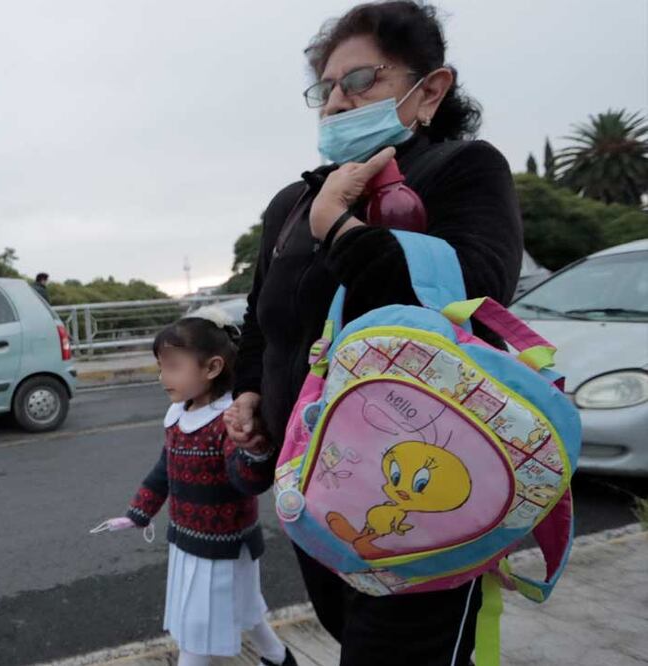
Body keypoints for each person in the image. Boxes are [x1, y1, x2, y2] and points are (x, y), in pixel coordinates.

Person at [222, 2, 523, 665]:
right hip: (319, 492)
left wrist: (340, 226)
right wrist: (248, 394)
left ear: (431, 90)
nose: (335, 102)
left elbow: (469, 302)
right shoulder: (292, 204)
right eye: (324, 88)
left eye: (359, 81)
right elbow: (261, 324)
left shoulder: (463, 171)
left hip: (428, 499)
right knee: (348, 636)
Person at [94, 311, 296, 666]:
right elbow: (164, 470)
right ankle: (278, 657)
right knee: (243, 608)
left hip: (224, 547)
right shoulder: (177, 414)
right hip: (188, 539)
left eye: (173, 367)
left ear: (212, 367)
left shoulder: (230, 419)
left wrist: (253, 448)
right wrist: (138, 513)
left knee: (197, 630)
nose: (163, 377)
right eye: (160, 367)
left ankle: (277, 657)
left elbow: (245, 481)